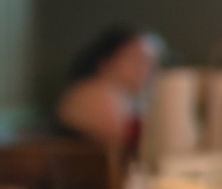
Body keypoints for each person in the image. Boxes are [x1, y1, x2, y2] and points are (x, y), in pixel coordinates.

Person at [56, 25, 161, 154]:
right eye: (137, 59)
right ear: (106, 62)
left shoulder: (125, 96)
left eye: (150, 62)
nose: (146, 69)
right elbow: (125, 145)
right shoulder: (95, 93)